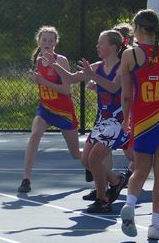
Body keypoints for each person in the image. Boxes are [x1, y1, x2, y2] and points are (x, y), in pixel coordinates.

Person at [118, 9, 159, 240]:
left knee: (140, 169)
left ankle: (130, 203)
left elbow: (126, 95)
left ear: (137, 29)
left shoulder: (130, 55)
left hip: (143, 120)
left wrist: (126, 119)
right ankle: (155, 225)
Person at [52, 29, 130, 212]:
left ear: (113, 47)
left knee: (95, 159)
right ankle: (116, 180)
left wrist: (93, 76)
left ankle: (102, 199)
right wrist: (54, 64)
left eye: (101, 42)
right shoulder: (96, 66)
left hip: (118, 120)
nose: (97, 46)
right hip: (103, 121)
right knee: (86, 160)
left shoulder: (122, 67)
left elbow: (113, 87)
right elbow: (71, 78)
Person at [18, 26, 81, 194]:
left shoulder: (61, 61)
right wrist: (37, 81)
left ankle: (93, 165)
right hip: (45, 107)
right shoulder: (37, 61)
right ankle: (26, 179)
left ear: (55, 43)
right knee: (35, 135)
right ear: (38, 41)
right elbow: (42, 83)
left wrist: (43, 82)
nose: (47, 42)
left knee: (75, 153)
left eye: (50, 40)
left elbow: (66, 90)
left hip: (64, 110)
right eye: (44, 39)